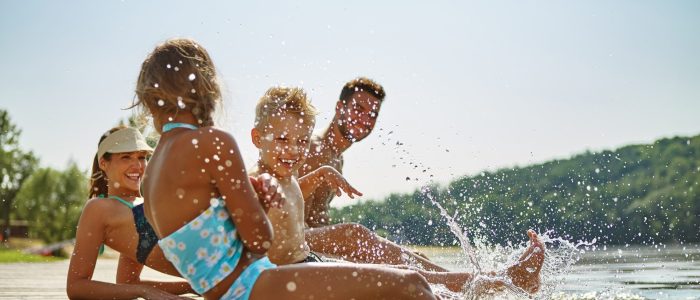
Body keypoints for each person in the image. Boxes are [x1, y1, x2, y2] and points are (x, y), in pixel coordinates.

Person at [135, 38, 440, 299]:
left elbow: (208, 249)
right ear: (205, 86)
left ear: (149, 98)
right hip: (251, 286)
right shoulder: (212, 142)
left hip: (226, 290)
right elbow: (258, 240)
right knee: (412, 283)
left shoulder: (149, 176)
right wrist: (265, 202)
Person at [246, 85, 550, 295]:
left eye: (372, 114)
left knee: (403, 265)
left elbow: (292, 197)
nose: (364, 119)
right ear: (339, 108)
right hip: (296, 257)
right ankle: (493, 282)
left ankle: (484, 282)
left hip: (307, 252)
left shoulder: (325, 156)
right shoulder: (311, 151)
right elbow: (275, 213)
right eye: (358, 109)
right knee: (364, 242)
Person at [66, 126, 193, 299]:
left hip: (225, 269)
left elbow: (128, 282)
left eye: (141, 157)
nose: (137, 165)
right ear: (104, 163)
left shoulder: (148, 202)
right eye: (126, 157)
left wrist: (188, 287)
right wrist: (146, 292)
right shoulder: (99, 208)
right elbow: (76, 286)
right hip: (226, 271)